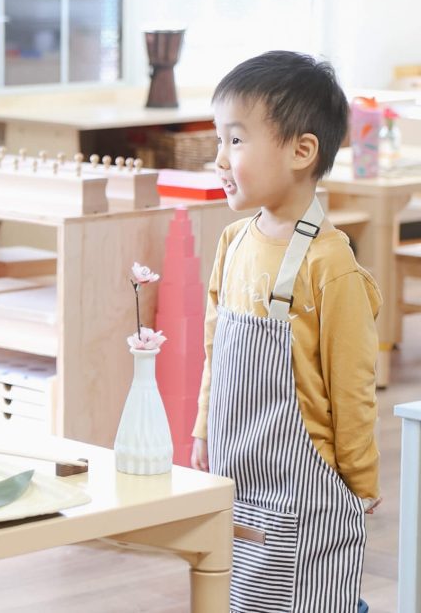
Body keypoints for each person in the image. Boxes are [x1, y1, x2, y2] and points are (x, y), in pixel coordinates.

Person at [191, 51, 380, 613]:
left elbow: (352, 385)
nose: (219, 159)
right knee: (240, 596)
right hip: (235, 471)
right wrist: (203, 428)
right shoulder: (234, 242)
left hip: (308, 493)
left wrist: (361, 481)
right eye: (219, 142)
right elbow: (214, 351)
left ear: (302, 151)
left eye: (236, 141)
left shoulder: (331, 265)